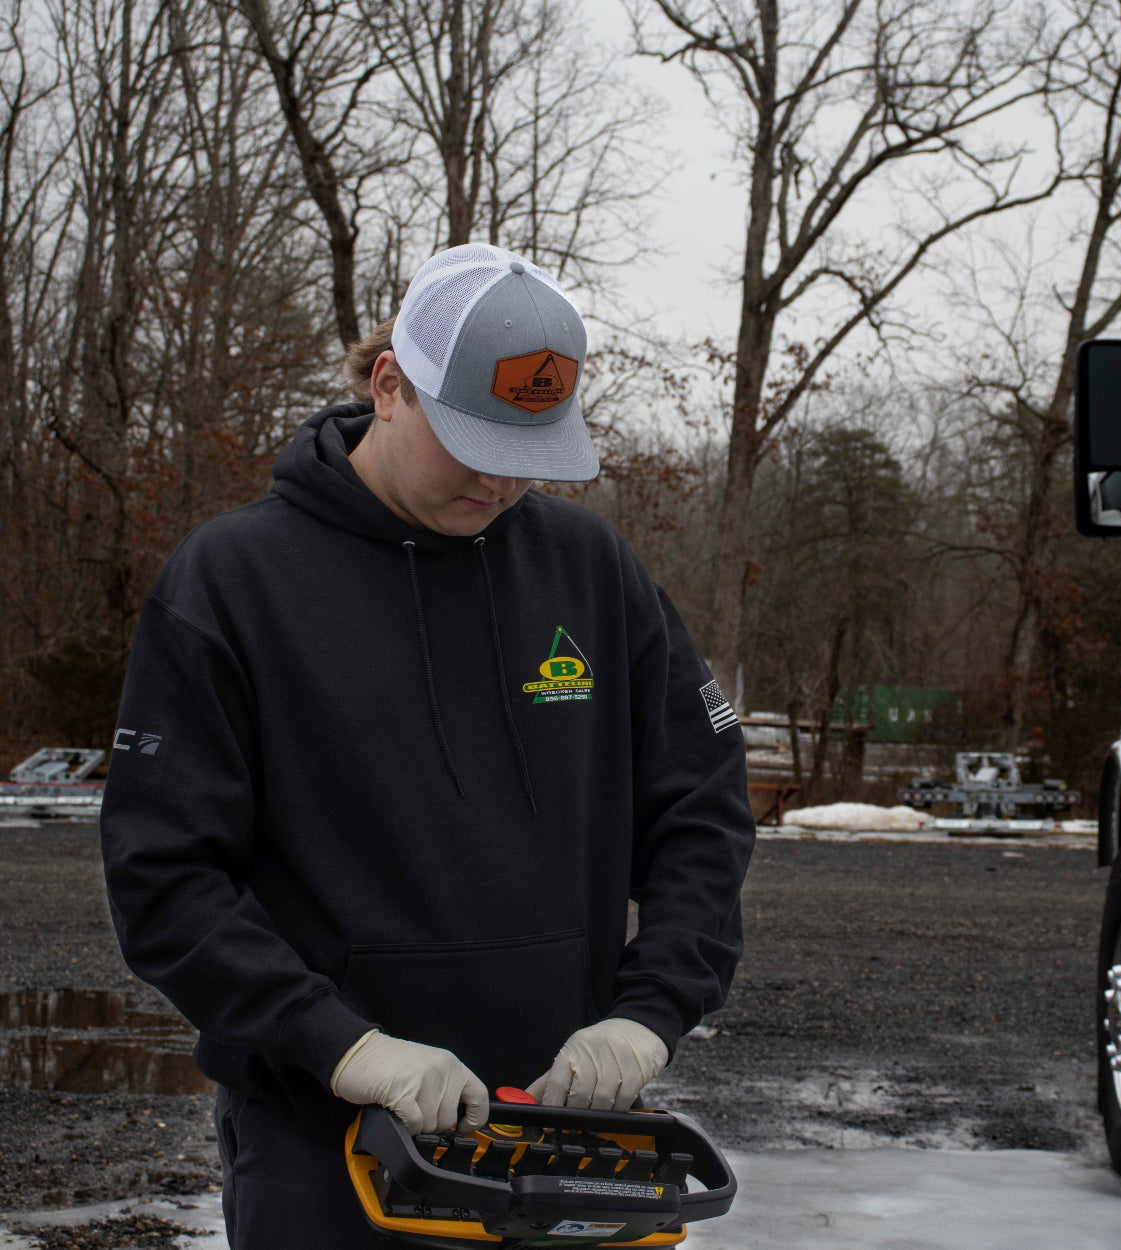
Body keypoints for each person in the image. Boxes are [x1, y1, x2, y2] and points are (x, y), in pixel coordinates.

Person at [99, 243, 755, 1248]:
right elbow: (164, 877)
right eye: (472, 441)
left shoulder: (589, 571)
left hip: (560, 1133)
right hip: (331, 1147)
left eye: (528, 452)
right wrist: (346, 1047)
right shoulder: (234, 584)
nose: (499, 480)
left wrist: (647, 1013)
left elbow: (701, 807)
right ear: (388, 387)